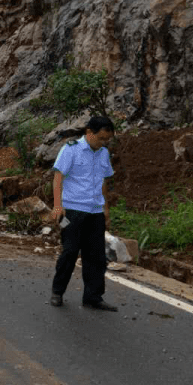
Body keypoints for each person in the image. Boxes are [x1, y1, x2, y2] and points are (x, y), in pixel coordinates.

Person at [49, 116, 117, 311]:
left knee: (95, 256)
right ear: (89, 133)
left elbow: (104, 180)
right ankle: (57, 291)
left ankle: (93, 297)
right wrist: (57, 206)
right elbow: (58, 177)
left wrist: (105, 209)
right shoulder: (70, 149)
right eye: (101, 138)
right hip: (72, 211)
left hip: (95, 211)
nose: (104, 143)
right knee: (69, 252)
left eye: (107, 140)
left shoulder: (103, 153)